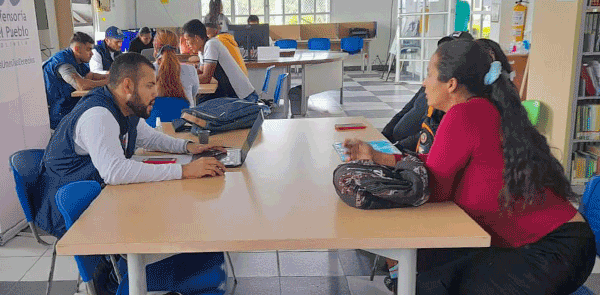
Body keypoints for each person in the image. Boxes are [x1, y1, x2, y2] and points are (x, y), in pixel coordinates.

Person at [344, 40, 595, 294]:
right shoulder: (483, 109)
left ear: (451, 84)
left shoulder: (464, 114)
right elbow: (434, 168)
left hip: (550, 252)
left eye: (430, 75)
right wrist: (377, 156)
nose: (424, 83)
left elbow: (432, 187)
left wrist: (380, 172)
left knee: (431, 285)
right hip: (562, 243)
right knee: (427, 267)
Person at [382, 31, 473, 151]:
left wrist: (396, 149)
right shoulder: (432, 83)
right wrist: (383, 138)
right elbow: (406, 109)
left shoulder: (455, 100)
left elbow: (428, 136)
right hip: (398, 144)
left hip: (411, 150)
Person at [42, 32, 109, 130]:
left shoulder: (79, 61)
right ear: (77, 49)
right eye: (88, 49)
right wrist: (108, 82)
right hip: (60, 115)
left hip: (71, 108)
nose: (92, 53)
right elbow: (81, 86)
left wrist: (110, 76)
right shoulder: (63, 62)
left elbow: (91, 76)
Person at [182, 19, 258, 103]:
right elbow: (201, 71)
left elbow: (206, 78)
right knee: (200, 100)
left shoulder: (211, 45)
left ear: (196, 38)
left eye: (187, 39)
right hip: (232, 95)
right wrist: (186, 72)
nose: (186, 43)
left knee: (200, 104)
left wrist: (183, 80)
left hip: (244, 98)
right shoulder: (202, 50)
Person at [153, 29, 200, 106]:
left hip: (155, 118)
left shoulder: (147, 71)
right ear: (177, 47)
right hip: (186, 117)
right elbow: (193, 94)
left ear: (155, 48)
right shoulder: (191, 70)